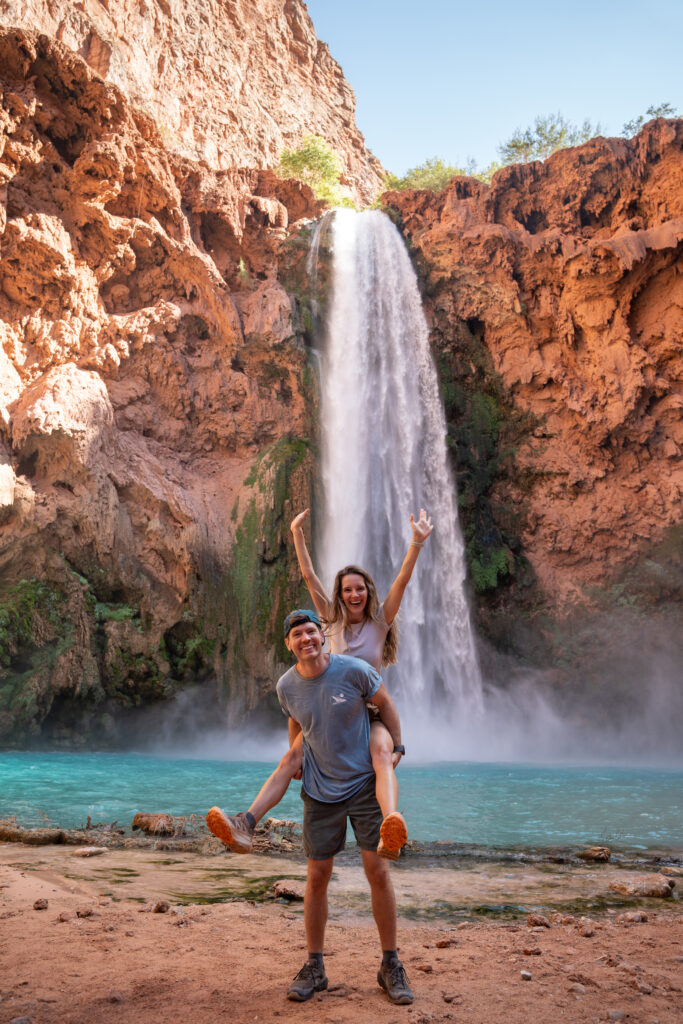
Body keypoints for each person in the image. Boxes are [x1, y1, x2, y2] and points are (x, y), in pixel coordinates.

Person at [206, 508, 433, 860]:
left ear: (368, 592)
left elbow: (402, 580)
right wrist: (296, 533)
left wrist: (417, 542)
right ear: (340, 595)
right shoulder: (328, 623)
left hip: (368, 713)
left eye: (360, 589)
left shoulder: (381, 622)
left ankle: (391, 828)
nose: (354, 595)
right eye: (347, 590)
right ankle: (246, 825)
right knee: (288, 759)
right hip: (326, 715)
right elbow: (309, 577)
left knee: (382, 753)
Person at [265, 609, 415, 1003]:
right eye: (298, 634)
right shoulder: (287, 685)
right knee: (317, 876)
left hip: (364, 782)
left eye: (312, 631)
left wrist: (397, 746)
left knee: (377, 871)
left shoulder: (353, 670)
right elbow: (296, 719)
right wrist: (295, 757)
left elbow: (385, 702)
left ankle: (390, 963)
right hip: (319, 788)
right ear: (289, 643)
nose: (306, 639)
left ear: (322, 635)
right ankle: (315, 965)